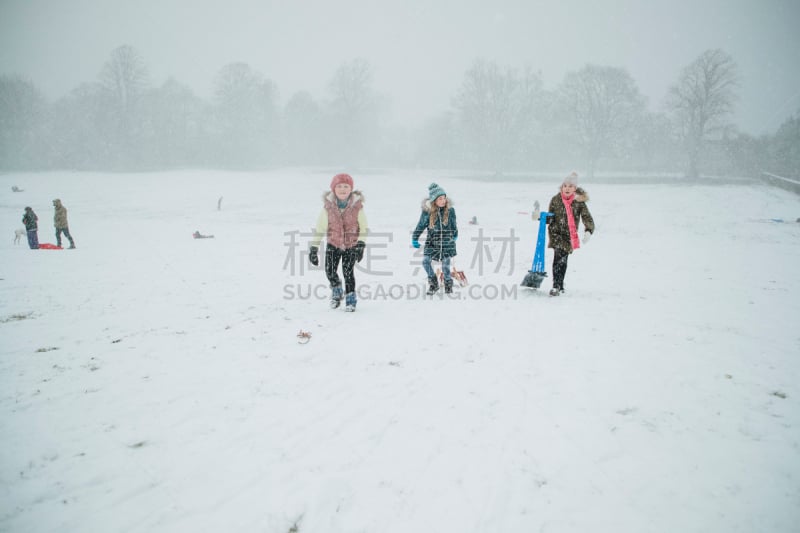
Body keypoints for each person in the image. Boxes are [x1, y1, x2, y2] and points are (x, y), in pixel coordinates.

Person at [309, 173, 367, 312]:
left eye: (346, 186)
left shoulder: (357, 206)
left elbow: (364, 227)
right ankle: (336, 290)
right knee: (329, 271)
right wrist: (314, 248)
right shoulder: (327, 208)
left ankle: (351, 298)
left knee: (348, 272)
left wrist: (361, 244)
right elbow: (320, 228)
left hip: (351, 245)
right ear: (334, 189)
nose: (342, 189)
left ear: (351, 189)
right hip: (333, 244)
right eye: (339, 186)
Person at [533, 171, 594, 296]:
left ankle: (560, 284)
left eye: (570, 186)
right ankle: (556, 285)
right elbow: (551, 218)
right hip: (556, 233)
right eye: (565, 186)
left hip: (569, 236)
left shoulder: (579, 202)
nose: (567, 188)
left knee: (563, 260)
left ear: (575, 189)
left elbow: (587, 217)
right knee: (558, 258)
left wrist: (588, 230)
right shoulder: (556, 200)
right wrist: (540, 216)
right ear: (561, 187)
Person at [412, 182, 458, 295]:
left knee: (445, 266)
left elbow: (454, 224)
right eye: (440, 198)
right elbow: (420, 225)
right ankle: (433, 283)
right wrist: (415, 238)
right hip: (432, 242)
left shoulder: (450, 211)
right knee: (425, 262)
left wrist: (455, 235)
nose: (443, 200)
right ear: (434, 200)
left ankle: (448, 284)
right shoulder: (427, 212)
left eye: (444, 198)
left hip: (447, 243)